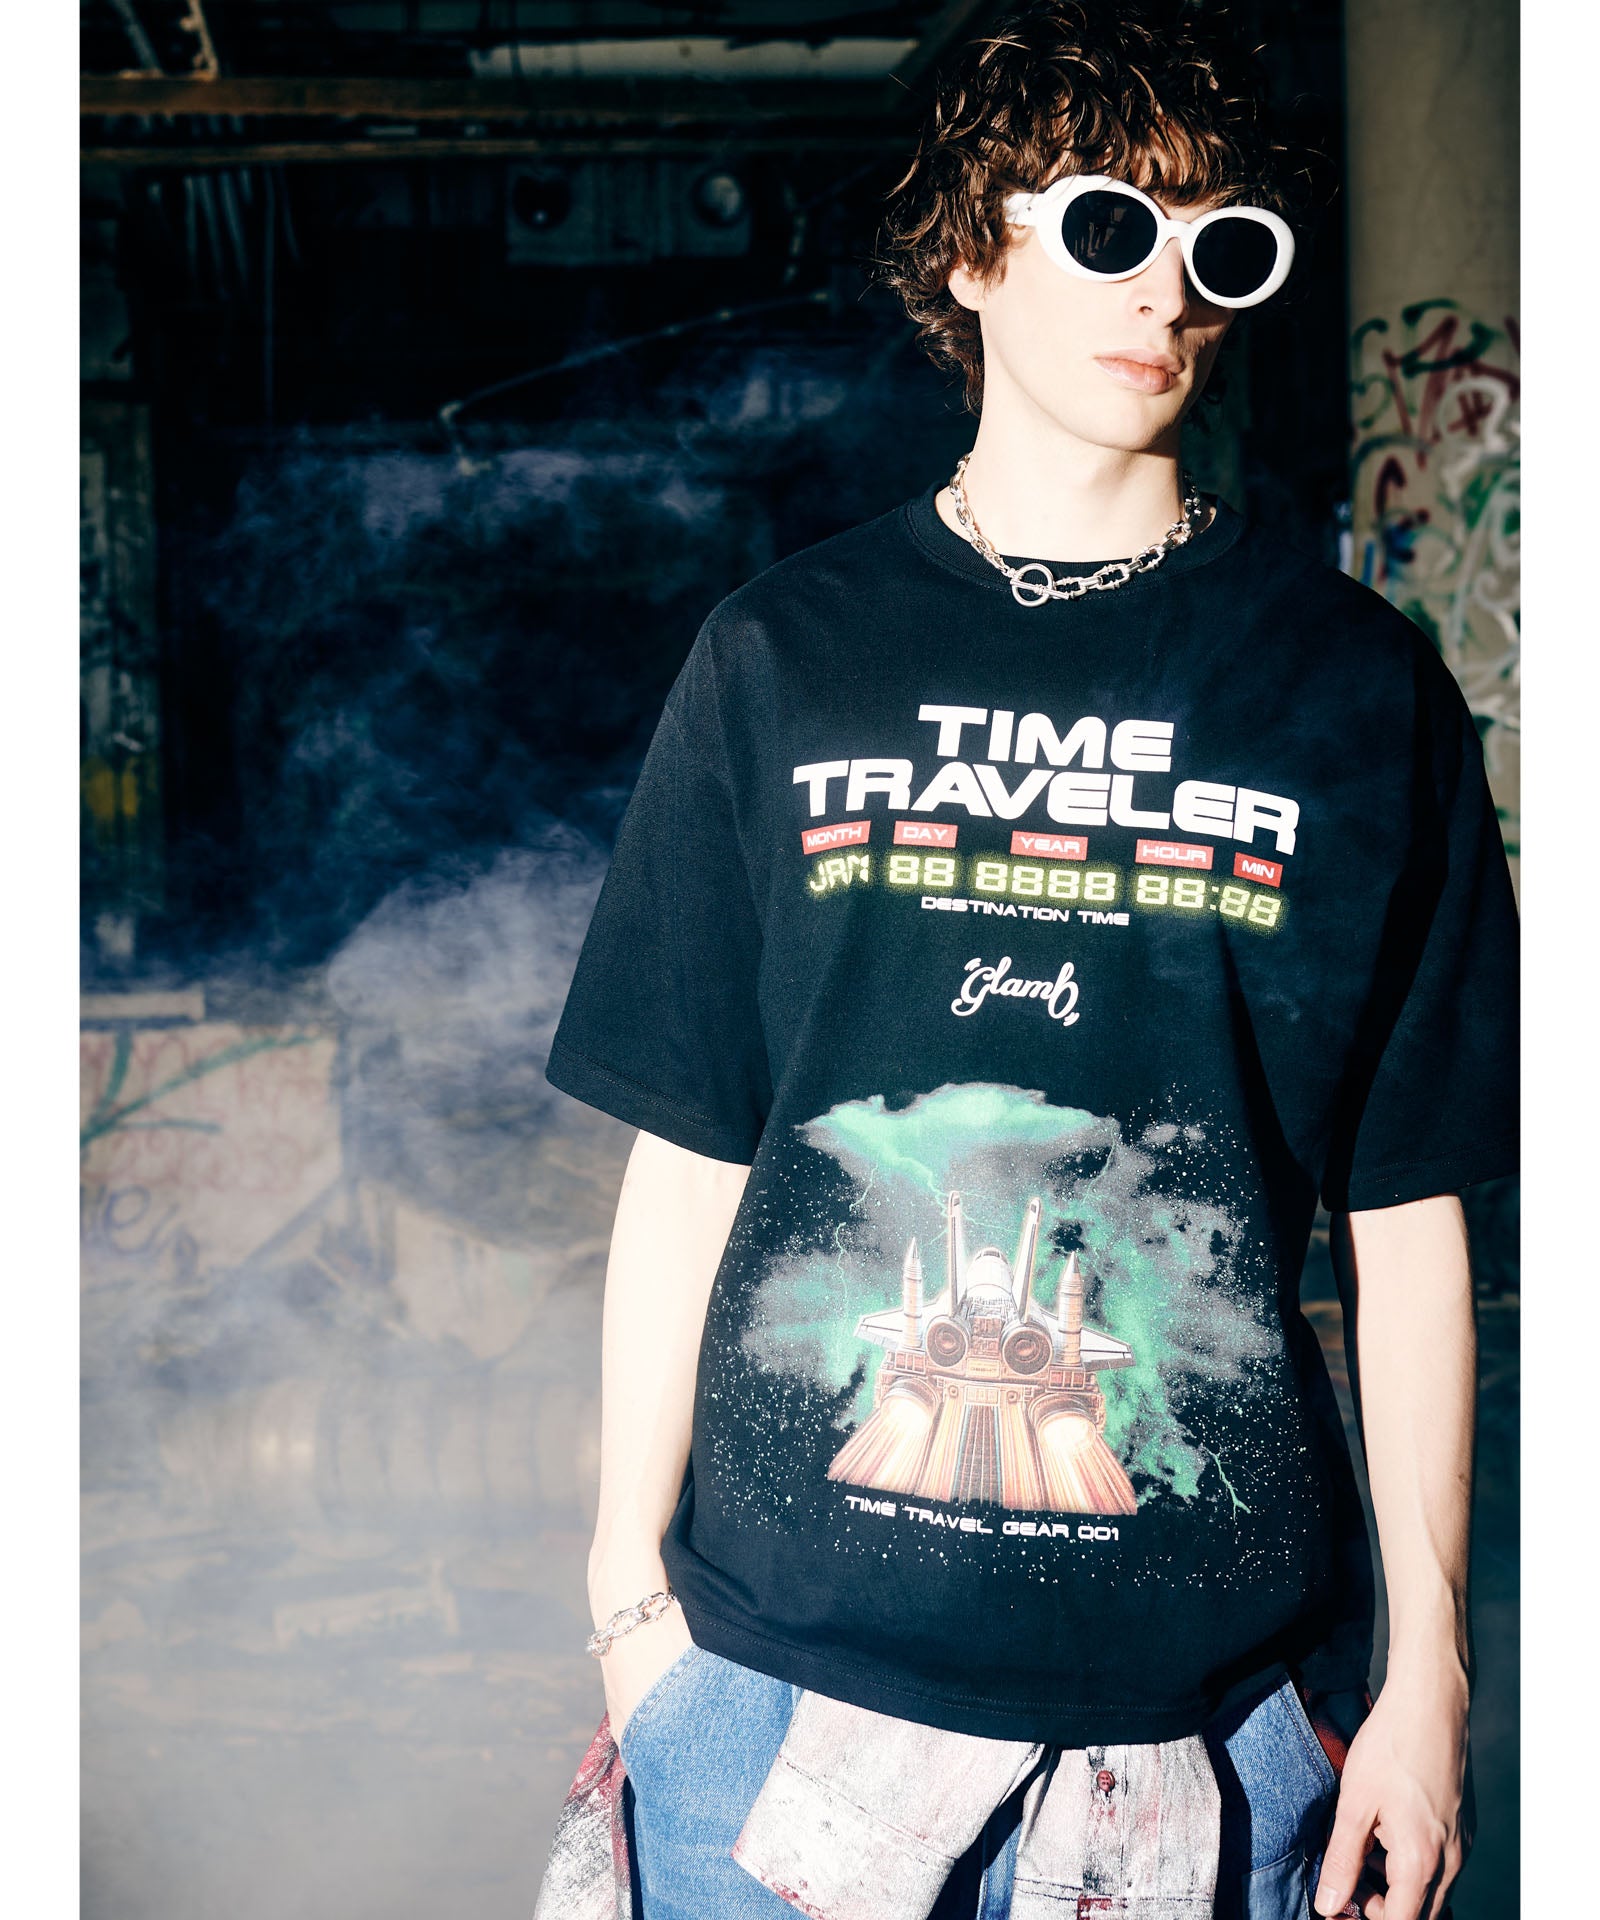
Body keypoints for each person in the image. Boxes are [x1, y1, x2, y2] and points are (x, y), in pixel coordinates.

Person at [538, 4, 1519, 1917]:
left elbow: (1408, 1217)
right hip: (772, 1686)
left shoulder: (1354, 690)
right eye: (1109, 227)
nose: (1169, 289)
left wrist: (1432, 1680)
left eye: (1223, 244)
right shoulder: (783, 655)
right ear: (972, 254)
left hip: (1212, 1721)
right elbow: (692, 1153)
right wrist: (626, 1599)